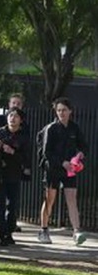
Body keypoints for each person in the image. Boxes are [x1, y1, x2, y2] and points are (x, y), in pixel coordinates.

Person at [38, 97, 88, 245]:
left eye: (64, 110)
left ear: (70, 111)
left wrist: (79, 155)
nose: (61, 113)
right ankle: (44, 230)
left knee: (72, 198)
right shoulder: (51, 128)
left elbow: (84, 146)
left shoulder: (75, 128)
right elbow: (47, 152)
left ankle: (76, 231)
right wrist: (62, 162)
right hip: (53, 168)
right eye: (59, 110)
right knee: (50, 200)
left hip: (70, 170)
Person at [0, 108, 30, 246]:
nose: (12, 118)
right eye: (10, 115)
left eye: (16, 116)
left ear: (21, 120)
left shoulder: (23, 137)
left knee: (12, 206)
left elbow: (26, 159)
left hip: (14, 174)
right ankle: (2, 233)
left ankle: (9, 231)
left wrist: (12, 152)